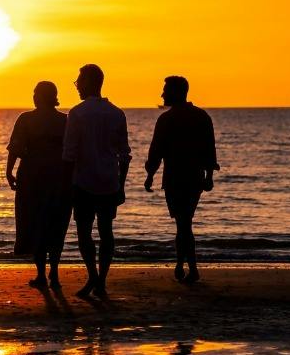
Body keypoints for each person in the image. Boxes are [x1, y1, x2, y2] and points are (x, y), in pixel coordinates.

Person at [63, 63, 130, 300]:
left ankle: (93, 275)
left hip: (83, 182)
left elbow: (69, 154)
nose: (77, 86)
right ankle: (100, 280)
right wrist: (121, 185)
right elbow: (125, 154)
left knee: (84, 232)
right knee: (106, 232)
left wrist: (66, 185)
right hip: (109, 181)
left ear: (88, 83)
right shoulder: (116, 113)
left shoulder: (77, 113)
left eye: (79, 82)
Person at [143, 76, 218, 284]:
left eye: (165, 90)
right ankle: (182, 265)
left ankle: (189, 268)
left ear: (176, 92)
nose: (162, 94)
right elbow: (209, 150)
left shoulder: (166, 120)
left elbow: (156, 150)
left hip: (176, 179)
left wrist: (150, 175)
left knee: (183, 223)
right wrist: (209, 176)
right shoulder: (201, 116)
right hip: (194, 179)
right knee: (184, 223)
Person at [6, 81, 73, 290]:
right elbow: (73, 152)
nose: (33, 96)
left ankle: (42, 274)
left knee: (35, 225)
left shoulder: (26, 119)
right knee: (56, 225)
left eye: (36, 93)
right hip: (60, 179)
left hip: (32, 179)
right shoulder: (66, 120)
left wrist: (8, 171)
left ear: (42, 96)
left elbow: (15, 148)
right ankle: (53, 272)